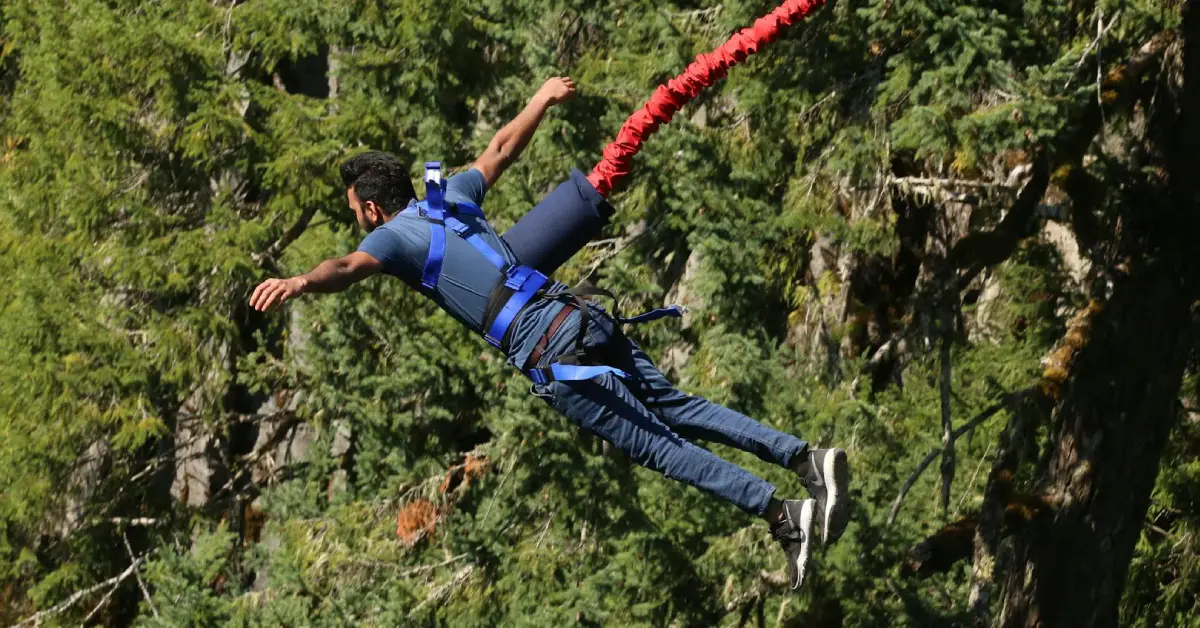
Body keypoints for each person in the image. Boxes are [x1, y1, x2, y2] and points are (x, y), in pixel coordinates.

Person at [249, 76, 850, 589]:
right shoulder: (448, 196)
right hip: (576, 313)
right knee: (677, 407)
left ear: (373, 210)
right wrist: (539, 99)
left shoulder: (389, 238)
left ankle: (782, 514)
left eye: (356, 211)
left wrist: (302, 281)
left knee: (659, 447)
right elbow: (501, 149)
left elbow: (346, 268)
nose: (358, 222)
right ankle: (805, 459)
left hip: (547, 348)